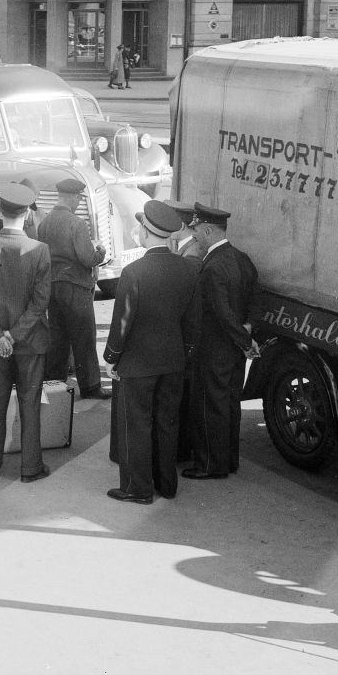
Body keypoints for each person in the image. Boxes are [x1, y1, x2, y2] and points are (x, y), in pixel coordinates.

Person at [103, 201, 201, 504]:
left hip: (137, 363)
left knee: (137, 425)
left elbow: (122, 322)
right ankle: (167, 484)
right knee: (167, 423)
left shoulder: (134, 272)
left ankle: (138, 488)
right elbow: (193, 320)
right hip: (173, 360)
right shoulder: (188, 268)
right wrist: (183, 353)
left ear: (146, 232)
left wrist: (111, 358)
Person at [0, 183, 51, 482]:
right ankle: (31, 468)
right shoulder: (40, 251)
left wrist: (0, 336)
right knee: (30, 404)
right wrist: (15, 335)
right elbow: (40, 302)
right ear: (28, 214)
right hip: (30, 342)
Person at [182, 203, 259, 481]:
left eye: (197, 232)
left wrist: (245, 339)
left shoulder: (212, 267)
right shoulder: (242, 258)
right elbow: (255, 298)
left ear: (208, 230)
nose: (195, 238)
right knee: (230, 404)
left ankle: (209, 465)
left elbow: (222, 313)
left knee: (209, 405)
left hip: (214, 350)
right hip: (235, 351)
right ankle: (229, 460)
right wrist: (248, 332)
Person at [36, 177, 108, 399]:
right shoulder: (76, 223)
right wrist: (101, 252)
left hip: (53, 286)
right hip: (76, 287)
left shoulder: (45, 222)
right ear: (74, 197)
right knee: (84, 338)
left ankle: (54, 384)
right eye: (79, 198)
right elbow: (87, 258)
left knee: (58, 337)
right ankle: (90, 387)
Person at [167, 201, 203, 462]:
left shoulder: (192, 254)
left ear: (180, 226)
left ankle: (183, 450)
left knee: (184, 396)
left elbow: (183, 298)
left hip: (185, 335)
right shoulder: (186, 248)